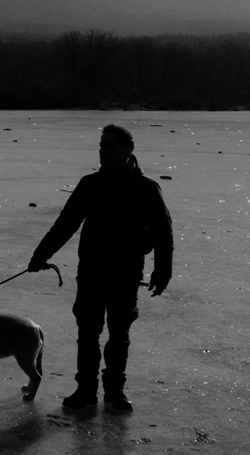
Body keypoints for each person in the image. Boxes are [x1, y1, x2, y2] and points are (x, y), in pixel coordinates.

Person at [28, 124, 173, 412]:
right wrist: (40, 255)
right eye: (101, 145)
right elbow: (66, 224)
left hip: (126, 274)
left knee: (118, 335)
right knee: (87, 333)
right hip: (91, 272)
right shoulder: (89, 184)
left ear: (126, 150)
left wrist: (162, 271)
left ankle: (115, 391)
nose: (102, 151)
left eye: (108, 146)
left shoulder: (146, 188)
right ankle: (85, 390)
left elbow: (162, 232)